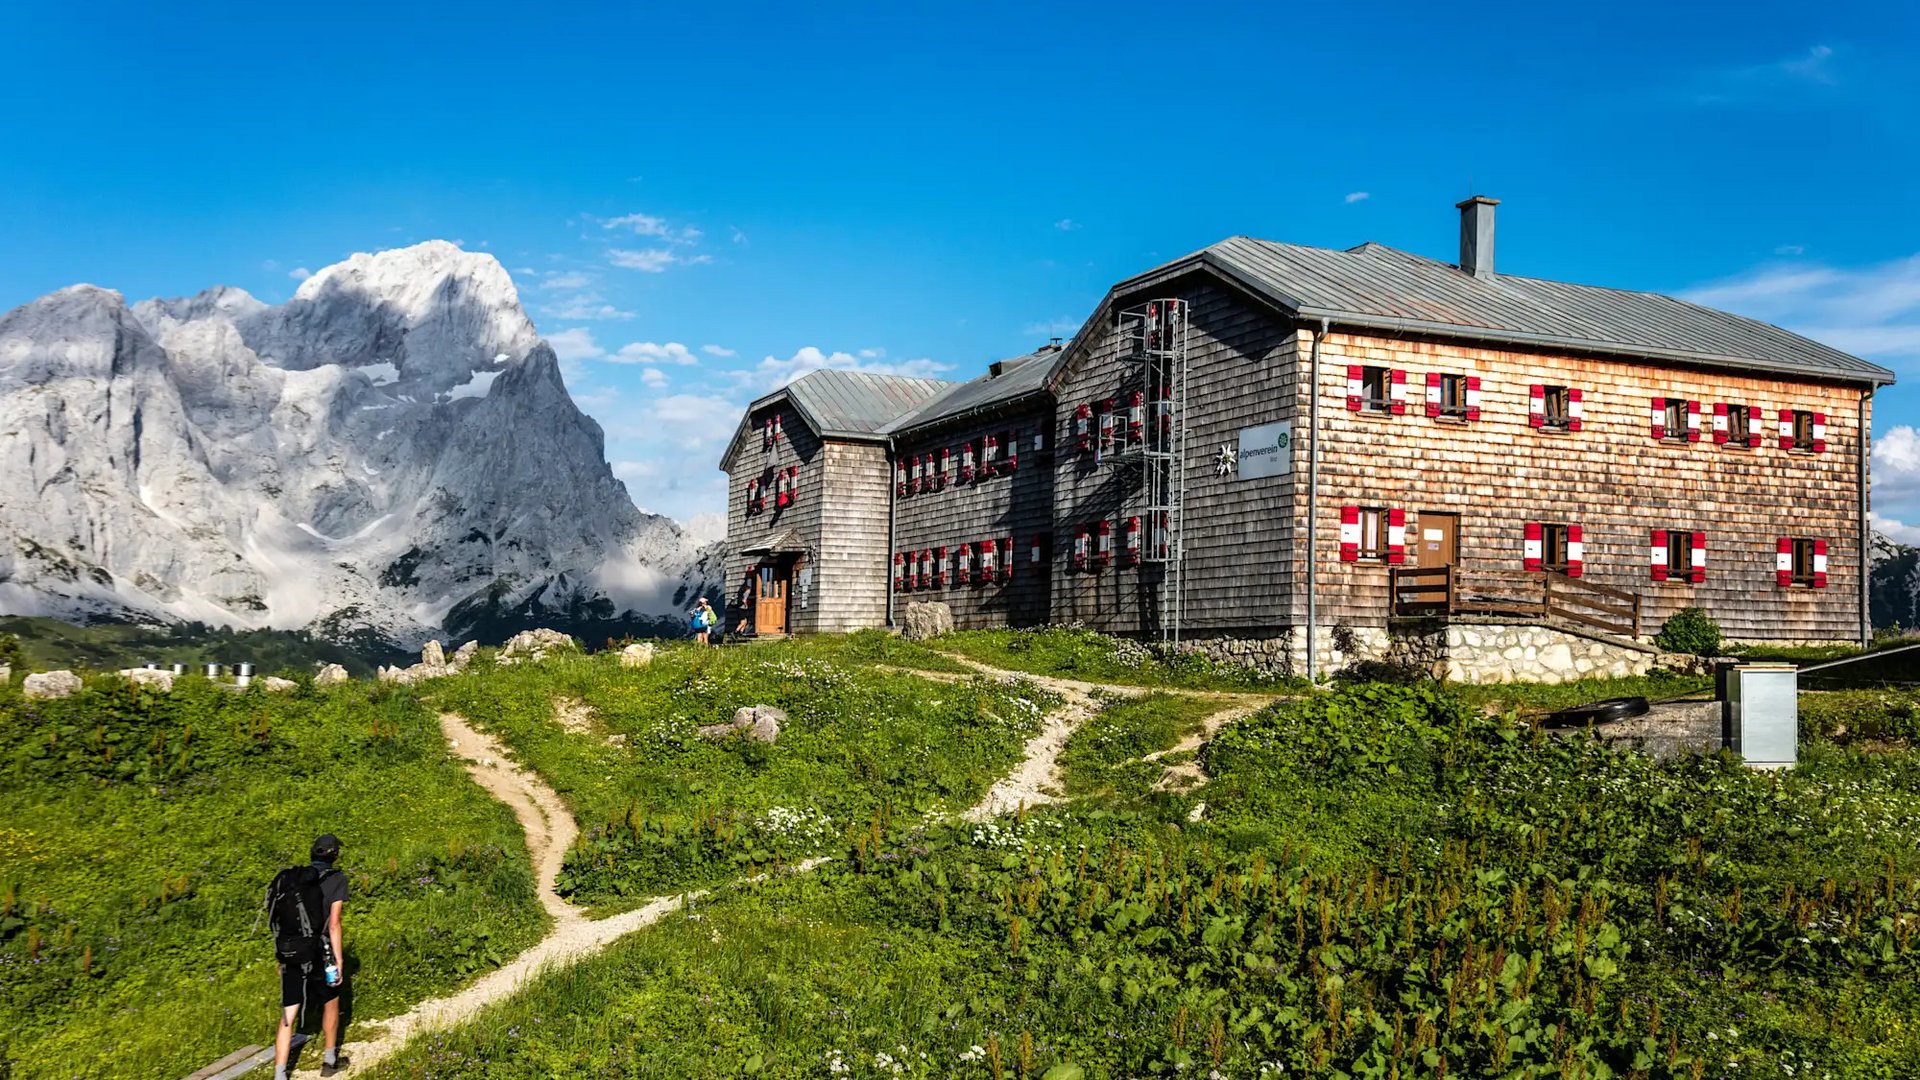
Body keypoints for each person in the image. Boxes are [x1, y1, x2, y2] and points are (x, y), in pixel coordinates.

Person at [268, 834, 350, 1078]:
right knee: (331, 1002)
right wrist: (339, 960)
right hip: (321, 950)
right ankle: (329, 1061)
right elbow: (334, 924)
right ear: (334, 855)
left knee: (288, 1012)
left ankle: (280, 1074)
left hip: (292, 950)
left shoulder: (294, 880)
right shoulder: (337, 880)